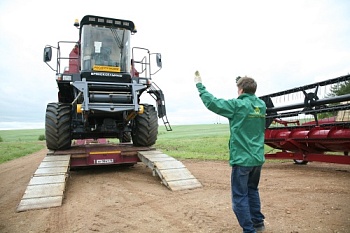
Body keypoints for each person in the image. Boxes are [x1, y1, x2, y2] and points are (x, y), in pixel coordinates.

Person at [194, 71, 266, 233]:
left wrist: (200, 86)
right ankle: (258, 224)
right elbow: (249, 97)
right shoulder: (261, 105)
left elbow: (212, 102)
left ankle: (249, 230)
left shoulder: (237, 105)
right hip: (257, 159)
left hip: (242, 159)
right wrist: (242, 83)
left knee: (240, 196)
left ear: (240, 90)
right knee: (252, 190)